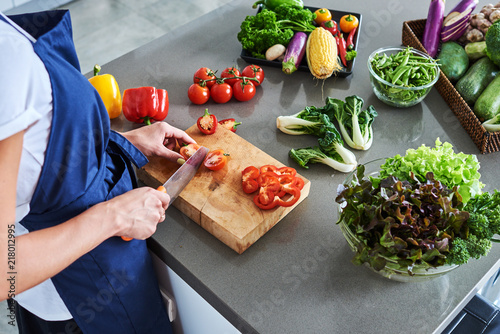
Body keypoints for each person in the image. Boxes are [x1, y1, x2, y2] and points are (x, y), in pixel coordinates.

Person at [0, 9, 196, 334]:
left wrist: (111, 141)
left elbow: (31, 157)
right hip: (79, 296)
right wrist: (114, 216)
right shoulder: (6, 66)